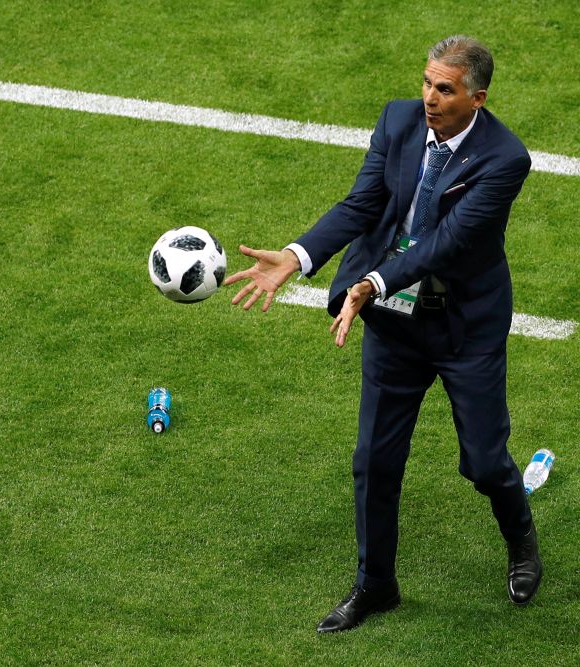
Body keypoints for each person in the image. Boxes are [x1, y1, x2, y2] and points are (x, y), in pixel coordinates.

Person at [224, 35, 541, 633]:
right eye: (426, 82)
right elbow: (362, 204)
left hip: (463, 329)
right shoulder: (397, 121)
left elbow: (445, 242)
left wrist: (370, 282)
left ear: (477, 98)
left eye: (444, 89)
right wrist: (297, 256)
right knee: (374, 458)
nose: (428, 97)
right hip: (397, 324)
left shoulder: (504, 159)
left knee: (483, 463)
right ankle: (376, 585)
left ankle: (521, 536)